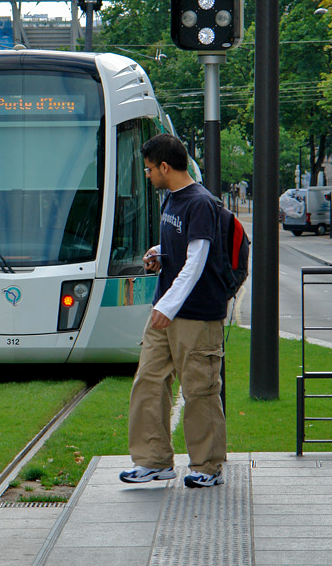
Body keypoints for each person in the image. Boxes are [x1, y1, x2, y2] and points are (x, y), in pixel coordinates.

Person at [120, 133, 227, 489]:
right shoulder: (172, 200)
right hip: (166, 309)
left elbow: (197, 261)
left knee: (199, 389)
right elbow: (180, 250)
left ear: (165, 166)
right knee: (148, 381)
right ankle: (153, 461)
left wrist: (166, 305)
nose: (148, 175)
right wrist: (158, 253)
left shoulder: (200, 202)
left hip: (195, 314)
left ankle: (208, 466)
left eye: (150, 169)